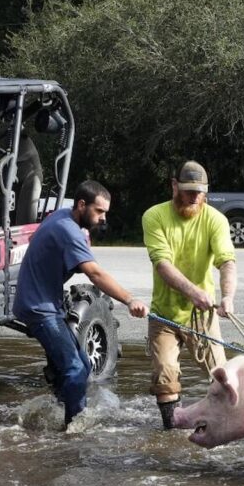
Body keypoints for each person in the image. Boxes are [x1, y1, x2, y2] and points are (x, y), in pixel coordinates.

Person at [13, 180, 149, 427]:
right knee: (75, 370)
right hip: (39, 308)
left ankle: (58, 411)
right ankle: (73, 431)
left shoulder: (64, 218)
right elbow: (94, 274)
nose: (103, 218)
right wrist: (129, 299)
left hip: (43, 302)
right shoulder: (68, 229)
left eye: (106, 212)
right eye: (99, 211)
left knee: (83, 364)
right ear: (81, 204)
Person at [143, 160, 237, 429]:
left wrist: (228, 296)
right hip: (164, 313)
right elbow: (162, 265)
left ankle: (222, 429)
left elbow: (227, 262)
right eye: (188, 191)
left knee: (221, 377)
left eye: (199, 192)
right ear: (174, 186)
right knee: (165, 376)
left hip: (202, 315)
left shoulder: (216, 220)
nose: (194, 197)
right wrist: (194, 291)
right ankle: (171, 432)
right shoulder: (154, 216)